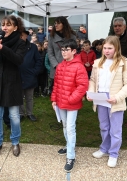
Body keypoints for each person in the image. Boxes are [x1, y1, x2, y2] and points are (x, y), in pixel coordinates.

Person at [87, 36, 127, 168]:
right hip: (100, 98)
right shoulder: (98, 63)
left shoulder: (124, 63)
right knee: (104, 126)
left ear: (116, 48)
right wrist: (91, 93)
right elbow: (92, 80)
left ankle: (113, 153)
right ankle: (104, 148)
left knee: (115, 129)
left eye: (110, 48)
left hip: (115, 100)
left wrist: (117, 97)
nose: (106, 51)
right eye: (105, 48)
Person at [0, 15, 27, 158]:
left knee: (14, 117)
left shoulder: (21, 43)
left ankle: (15, 142)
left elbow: (18, 60)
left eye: (8, 25)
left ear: (15, 27)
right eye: (3, 24)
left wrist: (1, 47)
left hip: (13, 83)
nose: (4, 27)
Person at [51, 39, 88, 172]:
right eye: (62, 50)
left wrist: (72, 98)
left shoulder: (79, 66)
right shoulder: (60, 66)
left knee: (70, 128)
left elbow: (83, 85)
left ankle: (71, 156)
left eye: (67, 50)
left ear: (73, 51)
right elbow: (56, 84)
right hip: (61, 102)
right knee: (65, 125)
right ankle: (68, 145)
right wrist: (54, 99)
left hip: (72, 103)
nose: (64, 52)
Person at [47, 16, 77, 94]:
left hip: (69, 67)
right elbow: (50, 53)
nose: (56, 25)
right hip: (56, 68)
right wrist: (56, 65)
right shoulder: (51, 37)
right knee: (56, 92)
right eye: (55, 23)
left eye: (58, 23)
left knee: (68, 91)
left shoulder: (72, 36)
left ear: (64, 24)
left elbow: (74, 52)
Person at [19, 29, 42, 121]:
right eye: (19, 35)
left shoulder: (32, 47)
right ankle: (20, 114)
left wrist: (35, 71)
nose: (21, 37)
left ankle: (29, 113)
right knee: (19, 97)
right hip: (18, 75)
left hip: (30, 76)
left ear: (26, 36)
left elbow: (38, 60)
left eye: (23, 35)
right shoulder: (15, 47)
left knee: (29, 97)